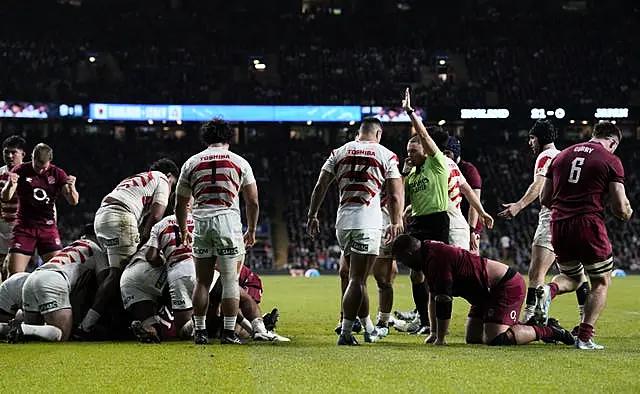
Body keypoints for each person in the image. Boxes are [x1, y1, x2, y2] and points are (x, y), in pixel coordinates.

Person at [307, 116, 403, 346]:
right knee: (358, 281)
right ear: (378, 134)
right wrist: (395, 221)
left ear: (359, 132)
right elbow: (396, 194)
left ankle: (368, 327)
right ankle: (347, 332)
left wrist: (312, 215)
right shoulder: (386, 154)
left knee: (353, 278)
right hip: (367, 223)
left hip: (343, 223)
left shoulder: (338, 152)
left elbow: (321, 185)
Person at [536, 121, 632, 350]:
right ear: (612, 141)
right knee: (601, 281)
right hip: (588, 224)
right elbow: (619, 206)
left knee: (574, 278)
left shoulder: (561, 156)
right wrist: (626, 213)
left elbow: (544, 198)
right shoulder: (610, 160)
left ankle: (549, 290)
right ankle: (584, 338)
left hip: (558, 223)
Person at [391, 235, 575, 347]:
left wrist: (440, 338)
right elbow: (433, 295)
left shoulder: (436, 257)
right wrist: (433, 332)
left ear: (409, 254)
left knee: (495, 339)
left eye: (401, 259)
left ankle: (548, 330)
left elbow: (444, 299)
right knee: (473, 338)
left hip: (505, 285)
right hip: (483, 294)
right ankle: (531, 324)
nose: (402, 264)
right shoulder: (426, 256)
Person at [175, 118, 259, 345]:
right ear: (228, 138)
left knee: (202, 281)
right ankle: (229, 333)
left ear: (206, 138)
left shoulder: (191, 162)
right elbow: (252, 201)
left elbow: (180, 203)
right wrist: (251, 229)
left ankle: (200, 332)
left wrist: (184, 229)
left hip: (201, 223)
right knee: (230, 280)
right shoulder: (239, 161)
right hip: (227, 224)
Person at [498, 120, 589, 324]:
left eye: (532, 138)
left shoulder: (546, 156)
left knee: (536, 271)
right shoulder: (565, 155)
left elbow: (539, 184)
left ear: (539, 138)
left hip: (552, 219)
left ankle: (531, 316)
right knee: (577, 275)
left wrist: (519, 205)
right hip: (574, 219)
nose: (530, 142)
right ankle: (585, 321)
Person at [78, 159, 179, 337]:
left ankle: (95, 322)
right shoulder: (162, 179)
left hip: (103, 216)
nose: (172, 191)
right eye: (174, 184)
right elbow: (156, 216)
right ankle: (94, 325)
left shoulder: (140, 179)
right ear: (170, 176)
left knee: (112, 274)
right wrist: (145, 242)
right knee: (124, 274)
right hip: (121, 216)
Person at [402, 88, 452, 335]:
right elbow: (404, 198)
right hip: (418, 223)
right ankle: (424, 321)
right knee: (415, 274)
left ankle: (436, 328)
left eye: (414, 151)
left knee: (436, 278)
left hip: (436, 221)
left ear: (425, 150)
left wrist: (411, 113)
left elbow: (423, 135)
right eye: (408, 152)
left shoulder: (436, 162)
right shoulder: (412, 173)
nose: (410, 155)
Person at [9, 234, 109, 343]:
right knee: (61, 335)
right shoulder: (97, 251)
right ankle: (23, 328)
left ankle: (8, 328)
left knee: (33, 336)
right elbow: (104, 285)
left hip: (32, 278)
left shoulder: (74, 246)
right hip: (53, 280)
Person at [1, 143, 79, 275]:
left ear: (50, 161)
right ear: (32, 157)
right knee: (14, 273)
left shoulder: (58, 173)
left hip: (47, 228)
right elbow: (6, 197)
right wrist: (10, 184)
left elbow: (73, 201)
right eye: (37, 166)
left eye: (44, 168)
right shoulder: (20, 170)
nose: (40, 171)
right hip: (24, 227)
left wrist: (72, 188)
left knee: (58, 272)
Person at [444, 137, 484, 253]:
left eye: (448, 153)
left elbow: (474, 201)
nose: (445, 156)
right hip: (452, 222)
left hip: (468, 223)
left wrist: (471, 230)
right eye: (443, 153)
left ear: (456, 153)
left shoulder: (469, 171)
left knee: (470, 263)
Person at [0, 136, 26, 278]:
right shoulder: (0, 174)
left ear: (22, 154)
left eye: (13, 152)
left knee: (14, 275)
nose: (9, 156)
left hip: (20, 232)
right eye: (6, 152)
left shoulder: (30, 175)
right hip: (1, 230)